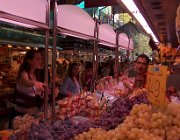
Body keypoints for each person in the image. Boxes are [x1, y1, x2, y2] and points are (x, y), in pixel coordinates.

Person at [14, 49, 47, 114]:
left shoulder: (37, 74)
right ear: (29, 61)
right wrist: (34, 83)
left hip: (31, 112)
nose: (41, 61)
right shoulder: (24, 73)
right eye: (37, 59)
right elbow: (26, 82)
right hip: (20, 113)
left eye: (41, 58)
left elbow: (36, 93)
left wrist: (46, 93)